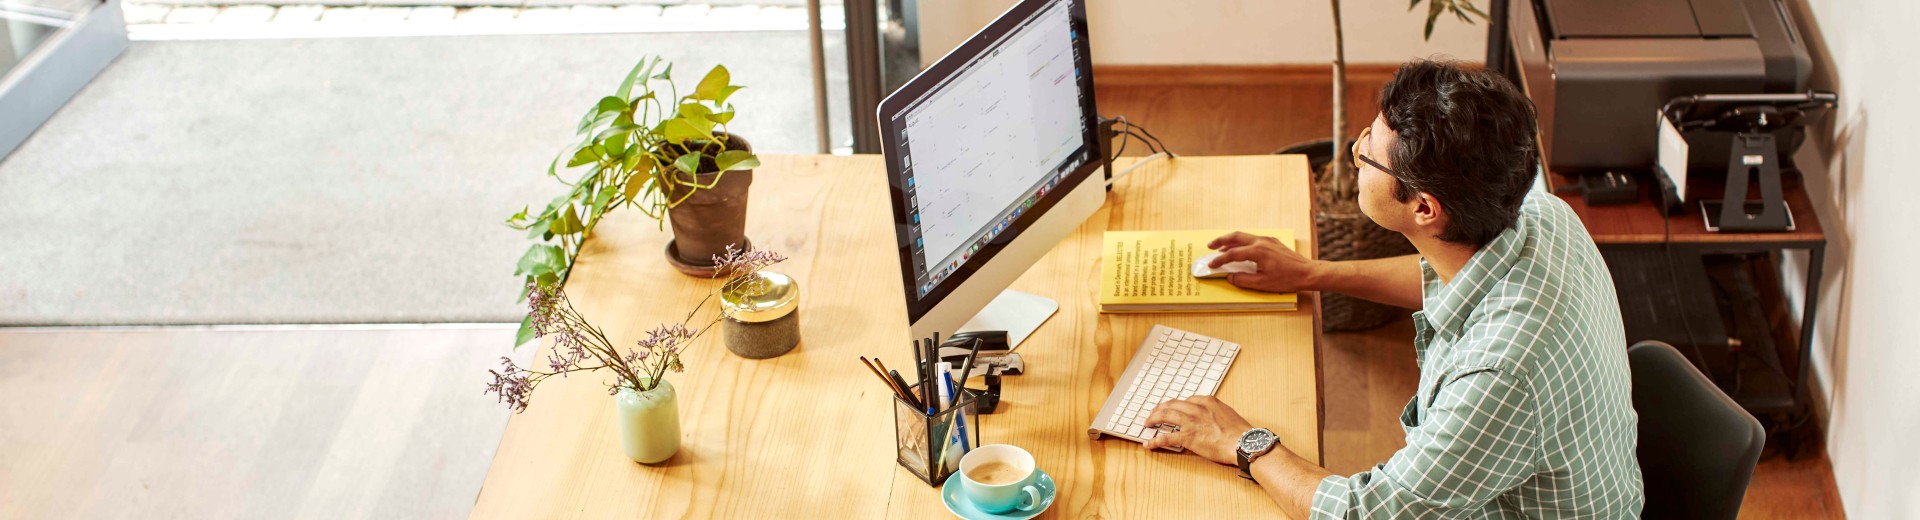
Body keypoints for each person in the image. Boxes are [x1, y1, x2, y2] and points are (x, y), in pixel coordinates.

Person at [1142, 59, 1644, 518]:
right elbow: (1443, 278)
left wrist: (1241, 442)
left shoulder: (1499, 374)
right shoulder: (1543, 214)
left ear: (1424, 208)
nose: (1355, 153)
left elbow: (1365, 513)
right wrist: (1312, 274)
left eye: (1370, 153)